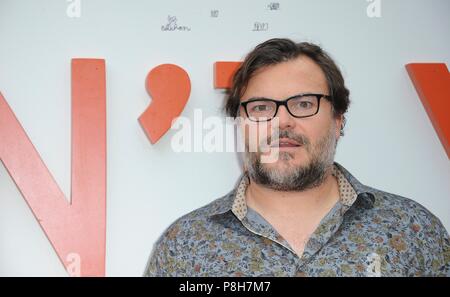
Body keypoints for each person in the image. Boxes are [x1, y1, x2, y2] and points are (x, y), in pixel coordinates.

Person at [144, 38, 449, 276]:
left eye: (304, 104)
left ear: (338, 119)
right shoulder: (184, 247)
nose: (283, 122)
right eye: (262, 107)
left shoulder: (412, 230)